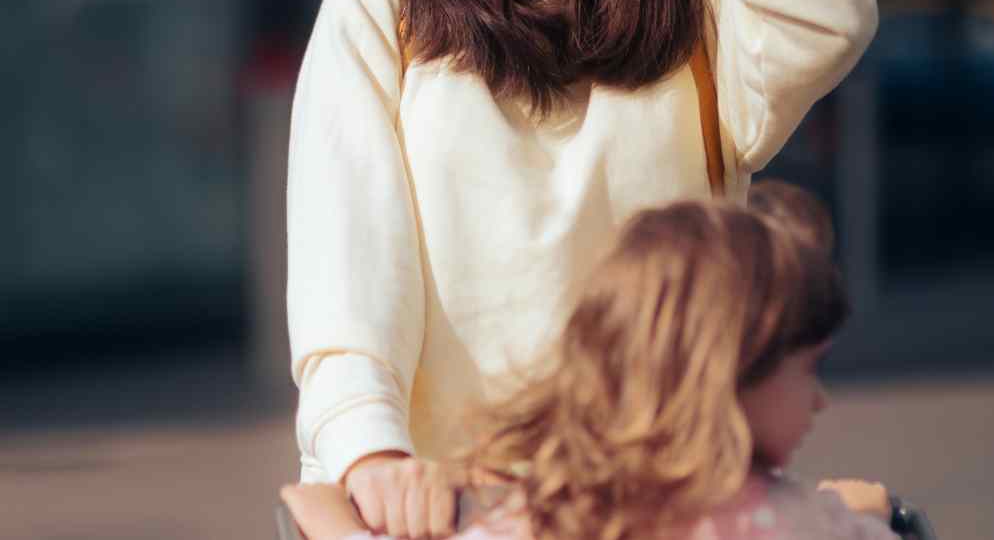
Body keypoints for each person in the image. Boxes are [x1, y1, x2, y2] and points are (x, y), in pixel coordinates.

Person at [286, 0, 878, 538]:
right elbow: (347, 267)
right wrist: (371, 456)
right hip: (443, 512)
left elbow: (833, 9)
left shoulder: (705, 14)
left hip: (664, 507)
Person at [281, 182, 896, 540]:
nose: (820, 400)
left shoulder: (548, 517)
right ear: (729, 375)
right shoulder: (792, 523)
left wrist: (334, 521)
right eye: (808, 369)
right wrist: (864, 509)